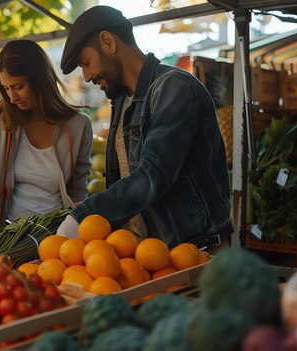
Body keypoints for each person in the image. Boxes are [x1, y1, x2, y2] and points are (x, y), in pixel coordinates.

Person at [56, 6, 232, 250]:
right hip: (147, 255)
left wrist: (87, 214)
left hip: (193, 252)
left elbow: (155, 173)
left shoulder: (174, 88)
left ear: (108, 42)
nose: (86, 76)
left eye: (85, 63)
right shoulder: (121, 101)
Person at [0, 39, 93, 243]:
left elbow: (78, 189)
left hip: (57, 237)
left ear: (40, 79)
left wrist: (78, 236)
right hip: (7, 237)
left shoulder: (79, 125)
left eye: (18, 86)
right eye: (6, 88)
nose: (12, 97)